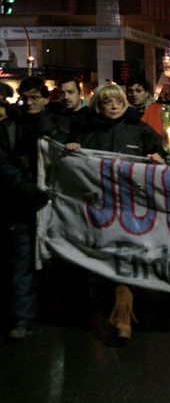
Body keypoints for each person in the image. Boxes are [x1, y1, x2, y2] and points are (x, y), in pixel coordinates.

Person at [65, 84, 165, 344]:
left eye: (118, 102)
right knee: (105, 263)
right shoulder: (85, 131)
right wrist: (71, 150)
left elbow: (161, 153)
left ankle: (123, 320)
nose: (113, 107)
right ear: (98, 105)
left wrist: (158, 158)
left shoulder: (139, 130)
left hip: (131, 209)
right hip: (98, 210)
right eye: (107, 102)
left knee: (124, 260)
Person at [0, 77, 64, 340]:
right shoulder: (8, 128)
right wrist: (28, 190)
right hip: (23, 204)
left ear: (46, 98)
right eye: (25, 97)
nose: (30, 102)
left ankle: (57, 310)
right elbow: (4, 165)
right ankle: (23, 318)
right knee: (22, 260)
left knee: (57, 258)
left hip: (57, 204)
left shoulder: (58, 125)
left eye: (35, 97)